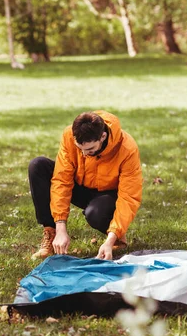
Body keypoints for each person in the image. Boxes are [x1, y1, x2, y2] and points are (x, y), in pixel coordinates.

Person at [28, 110, 142, 261]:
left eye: (89, 150)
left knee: (95, 213)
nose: (83, 154)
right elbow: (62, 180)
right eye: (79, 149)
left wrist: (110, 241)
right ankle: (52, 234)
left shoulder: (127, 148)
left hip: (107, 196)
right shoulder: (69, 136)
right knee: (38, 165)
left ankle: (117, 237)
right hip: (81, 186)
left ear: (103, 137)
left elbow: (128, 197)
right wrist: (60, 226)